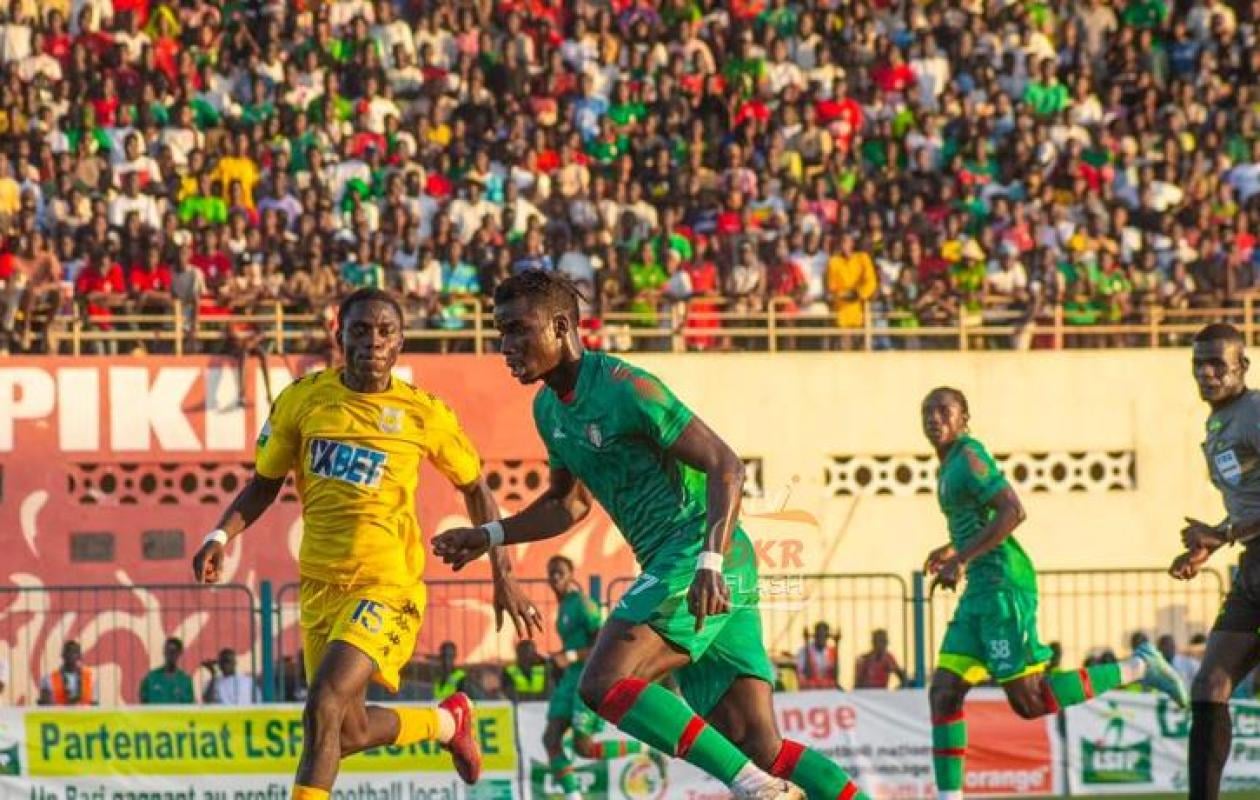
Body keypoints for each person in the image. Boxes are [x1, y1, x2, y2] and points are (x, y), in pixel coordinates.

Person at [435, 269, 868, 800]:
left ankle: (758, 789)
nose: (506, 346)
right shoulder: (548, 410)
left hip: (701, 553)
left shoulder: (626, 387)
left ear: (562, 324)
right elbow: (567, 505)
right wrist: (491, 534)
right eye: (501, 332)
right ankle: (767, 778)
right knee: (759, 743)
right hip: (692, 562)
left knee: (603, 683)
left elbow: (725, 464)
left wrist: (709, 561)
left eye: (519, 330)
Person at [192, 287, 542, 800]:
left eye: (384, 332)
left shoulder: (423, 413)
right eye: (360, 331)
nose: (372, 342)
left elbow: (476, 489)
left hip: (386, 585)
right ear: (339, 336)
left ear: (400, 343)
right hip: (320, 586)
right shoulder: (302, 400)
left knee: (324, 705)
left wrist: (503, 574)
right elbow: (264, 484)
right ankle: (447, 724)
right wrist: (220, 534)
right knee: (346, 730)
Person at [922, 386, 1186, 800]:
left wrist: (960, 559)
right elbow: (979, 520)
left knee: (1029, 702)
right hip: (979, 591)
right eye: (928, 411)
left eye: (944, 410)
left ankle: (1139, 666)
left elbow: (1014, 510)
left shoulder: (970, 455)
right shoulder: (946, 466)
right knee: (944, 692)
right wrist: (953, 551)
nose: (934, 418)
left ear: (963, 418)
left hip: (1005, 588)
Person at [1169, 323, 1260, 800]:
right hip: (1253, 568)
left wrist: (1223, 534)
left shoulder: (1256, 412)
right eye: (1198, 365)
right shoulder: (1218, 424)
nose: (1206, 374)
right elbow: (1248, 506)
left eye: (1217, 365)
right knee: (1210, 684)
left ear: (1241, 366)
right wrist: (1211, 542)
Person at [542, 555, 653, 800]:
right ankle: (574, 796)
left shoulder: (583, 603)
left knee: (583, 747)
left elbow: (602, 645)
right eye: (551, 573)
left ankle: (643, 748)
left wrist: (569, 656)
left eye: (561, 572)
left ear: (571, 575)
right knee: (550, 738)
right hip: (568, 680)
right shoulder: (563, 607)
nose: (555, 577)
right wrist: (557, 660)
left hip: (585, 677)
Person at [38, 641, 98, 706]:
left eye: (74, 652)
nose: (70, 655)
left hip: (85, 715)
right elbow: (45, 706)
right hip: (59, 715)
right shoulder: (48, 679)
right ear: (62, 655)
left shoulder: (91, 678)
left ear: (80, 656)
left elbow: (94, 704)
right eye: (68, 651)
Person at [139, 637, 195, 704]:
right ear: (164, 652)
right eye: (167, 651)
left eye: (173, 652)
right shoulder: (151, 678)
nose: (170, 655)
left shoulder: (185, 681)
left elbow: (189, 706)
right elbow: (143, 702)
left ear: (179, 654)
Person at [796, 622, 838, 690]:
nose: (821, 638)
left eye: (824, 636)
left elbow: (835, 675)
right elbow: (807, 674)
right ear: (815, 635)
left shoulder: (831, 651)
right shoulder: (804, 651)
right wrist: (806, 642)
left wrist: (837, 644)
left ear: (827, 637)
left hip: (827, 689)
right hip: (810, 688)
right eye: (819, 635)